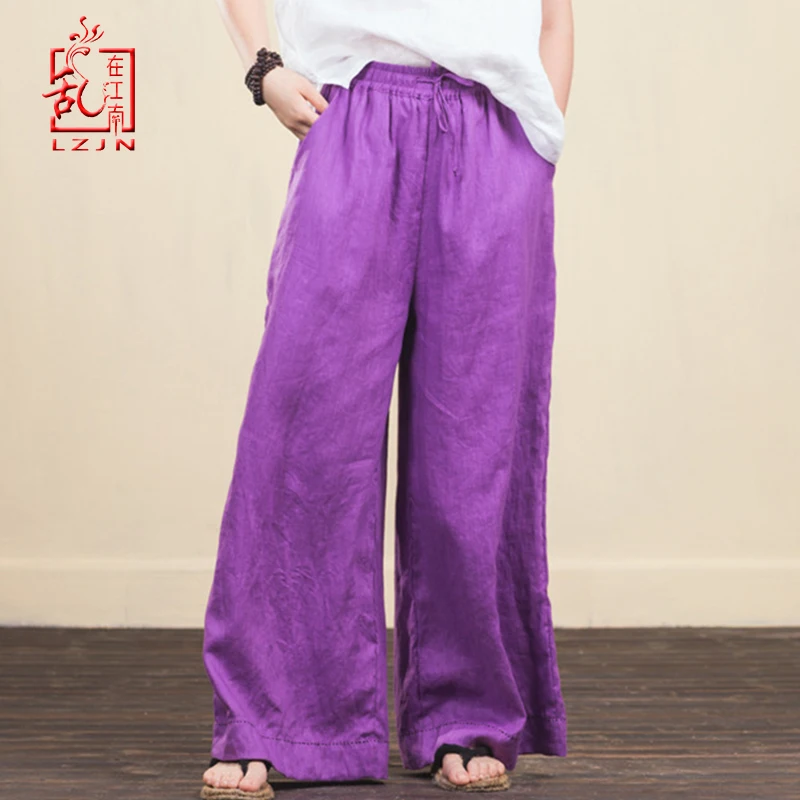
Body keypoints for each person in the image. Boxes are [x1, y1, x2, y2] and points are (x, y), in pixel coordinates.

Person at [200, 1, 574, 796]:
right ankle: (277, 718)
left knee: (473, 448)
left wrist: (541, 141)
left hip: (495, 133)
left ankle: (464, 714)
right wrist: (265, 70)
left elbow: (555, 15)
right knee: (307, 431)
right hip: (355, 112)